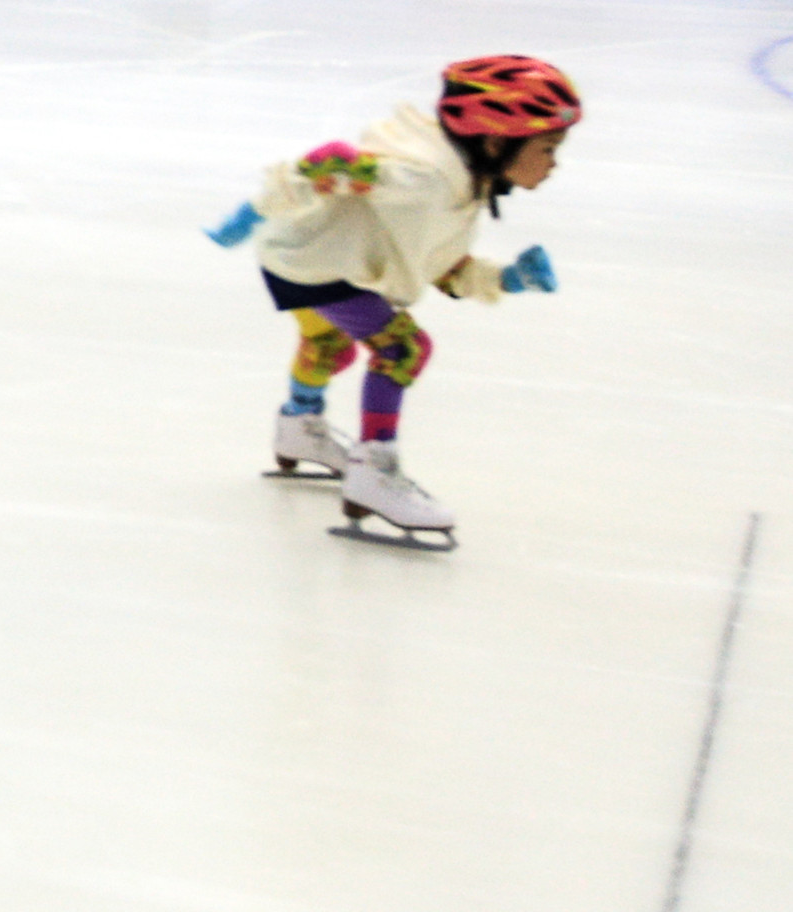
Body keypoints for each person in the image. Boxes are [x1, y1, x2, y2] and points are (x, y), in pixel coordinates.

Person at [206, 55, 580, 547]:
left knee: (329, 346)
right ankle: (373, 471)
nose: (554, 163)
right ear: (494, 140)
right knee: (402, 348)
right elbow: (330, 163)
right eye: (548, 147)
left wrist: (509, 279)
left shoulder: (461, 183)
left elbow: (443, 267)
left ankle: (300, 423)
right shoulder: (428, 180)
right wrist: (247, 216)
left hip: (304, 256)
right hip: (315, 267)